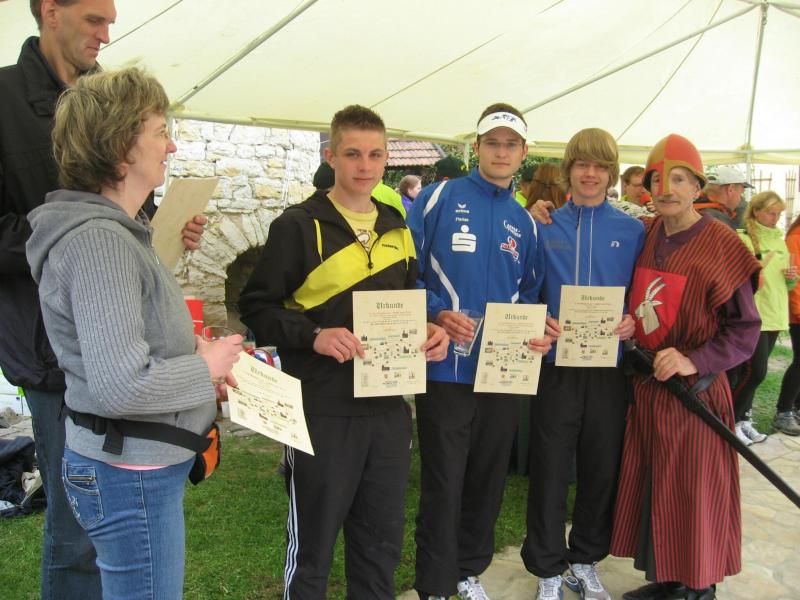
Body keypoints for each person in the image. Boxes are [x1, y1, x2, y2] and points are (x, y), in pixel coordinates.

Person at [0, 2, 205, 597]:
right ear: (51, 11)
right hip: (48, 350)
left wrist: (155, 231)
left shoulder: (107, 99)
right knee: (77, 534)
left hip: (104, 333)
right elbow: (124, 384)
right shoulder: (6, 101)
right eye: (94, 18)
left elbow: (121, 216)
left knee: (102, 531)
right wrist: (82, 247)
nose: (106, 34)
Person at [24, 66, 242, 600]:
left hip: (134, 466)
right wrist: (206, 367)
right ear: (121, 146)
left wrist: (194, 356)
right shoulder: (100, 242)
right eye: (160, 131)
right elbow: (123, 385)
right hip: (130, 472)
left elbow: (129, 342)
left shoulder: (120, 232)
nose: (171, 146)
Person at [239, 104, 448, 599]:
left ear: (387, 159)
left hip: (388, 410)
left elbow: (406, 301)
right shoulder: (297, 225)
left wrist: (428, 327)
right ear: (331, 156)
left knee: (380, 548)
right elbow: (256, 307)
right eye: (353, 154)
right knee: (312, 548)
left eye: (375, 154)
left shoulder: (397, 226)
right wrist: (313, 335)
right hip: (322, 409)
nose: (365, 165)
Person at [407, 102, 552, 600]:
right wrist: (434, 312)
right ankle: (434, 584)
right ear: (476, 147)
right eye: (493, 143)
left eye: (511, 145)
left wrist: (534, 330)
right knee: (444, 481)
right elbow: (405, 271)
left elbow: (531, 293)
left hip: (502, 374)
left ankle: (467, 571)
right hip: (444, 369)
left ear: (524, 153)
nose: (501, 152)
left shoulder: (525, 221)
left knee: (487, 481)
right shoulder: (437, 198)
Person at [610, 134, 761, 600]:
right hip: (649, 390)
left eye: (679, 179)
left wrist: (694, 359)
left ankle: (698, 587)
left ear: (697, 187)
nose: (667, 188)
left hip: (696, 394)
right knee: (658, 486)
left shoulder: (722, 243)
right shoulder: (647, 233)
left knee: (694, 491)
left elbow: (745, 330)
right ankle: (669, 579)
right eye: (658, 179)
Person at [520, 129, 644, 600]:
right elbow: (525, 290)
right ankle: (547, 567)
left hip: (609, 370)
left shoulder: (633, 231)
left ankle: (586, 559)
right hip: (556, 368)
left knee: (601, 468)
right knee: (550, 468)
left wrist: (633, 321)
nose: (590, 174)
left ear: (611, 173)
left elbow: (641, 297)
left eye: (600, 166)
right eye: (582, 165)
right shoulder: (543, 224)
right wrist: (538, 317)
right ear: (569, 170)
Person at [733, 192, 798, 438]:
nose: (776, 218)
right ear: (756, 211)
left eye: (779, 214)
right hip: (755, 315)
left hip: (775, 314)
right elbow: (739, 277)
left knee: (755, 373)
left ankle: (743, 420)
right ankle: (730, 420)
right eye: (771, 213)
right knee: (754, 372)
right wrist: (758, 267)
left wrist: (792, 278)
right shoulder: (744, 238)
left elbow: (788, 284)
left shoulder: (780, 241)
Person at [776, 212, 800, 433]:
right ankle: (783, 411)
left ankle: (796, 409)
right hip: (798, 312)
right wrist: (798, 310)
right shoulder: (795, 238)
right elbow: (794, 279)